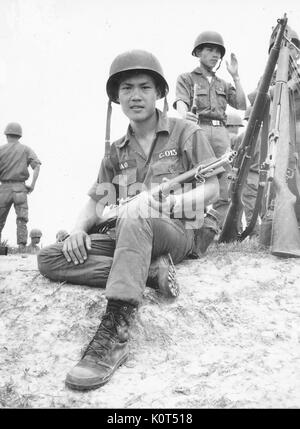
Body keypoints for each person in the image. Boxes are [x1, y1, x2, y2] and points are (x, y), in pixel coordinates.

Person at [38, 49, 221, 391]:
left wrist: (169, 204)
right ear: (116, 97)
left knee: (139, 213)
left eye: (144, 87)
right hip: (131, 235)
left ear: (159, 93)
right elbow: (96, 203)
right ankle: (150, 272)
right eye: (126, 88)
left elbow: (212, 188)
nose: (135, 95)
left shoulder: (186, 134)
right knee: (50, 257)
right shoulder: (116, 151)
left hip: (177, 231)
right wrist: (78, 230)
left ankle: (115, 331)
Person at [174, 31, 246, 249]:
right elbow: (181, 102)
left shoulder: (223, 84)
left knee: (224, 185)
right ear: (198, 52)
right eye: (209, 50)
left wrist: (235, 76)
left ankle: (217, 237)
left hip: (221, 133)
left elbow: (242, 104)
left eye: (217, 51)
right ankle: (191, 236)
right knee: (196, 181)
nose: (214, 55)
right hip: (198, 129)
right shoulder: (187, 78)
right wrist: (184, 116)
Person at [0, 122, 41, 250]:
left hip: (4, 189)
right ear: (19, 135)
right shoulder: (26, 149)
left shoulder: (1, 150)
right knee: (22, 218)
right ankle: (22, 246)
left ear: (6, 134)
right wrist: (32, 185)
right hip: (20, 188)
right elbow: (37, 166)